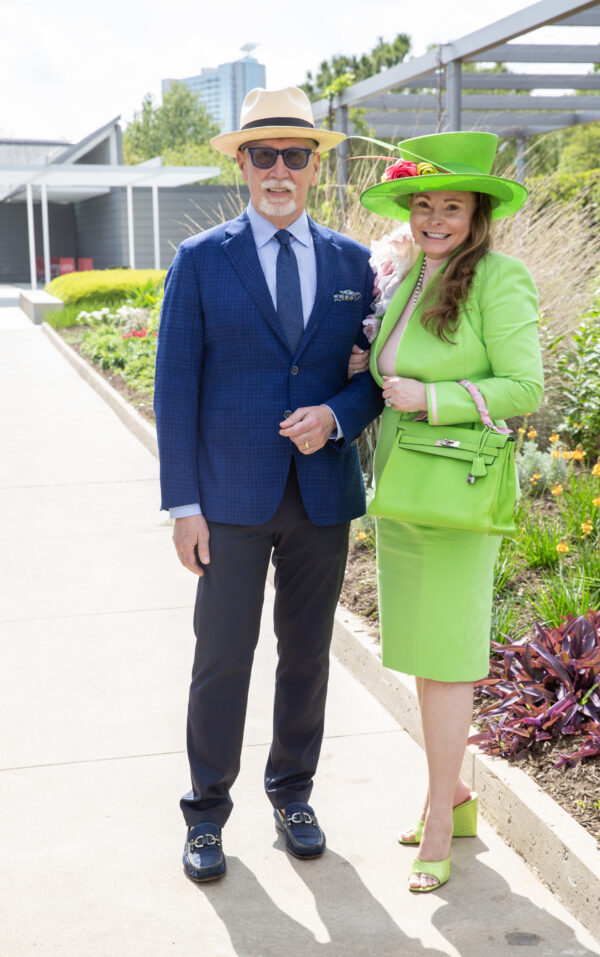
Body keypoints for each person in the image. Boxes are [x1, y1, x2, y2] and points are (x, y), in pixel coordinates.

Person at [154, 86, 383, 882]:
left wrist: (336, 413)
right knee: (221, 657)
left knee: (307, 656)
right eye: (262, 155)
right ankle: (205, 813)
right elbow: (174, 387)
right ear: (243, 166)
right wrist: (184, 505)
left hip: (320, 495)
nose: (278, 170)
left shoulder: (356, 264)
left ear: (315, 166)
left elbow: (375, 382)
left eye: (294, 154)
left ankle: (292, 794)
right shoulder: (200, 260)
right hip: (228, 501)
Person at [360, 132, 543, 893]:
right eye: (424, 204)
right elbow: (387, 364)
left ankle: (440, 823)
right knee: (425, 660)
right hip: (403, 492)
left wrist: (432, 399)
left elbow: (523, 388)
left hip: (456, 496)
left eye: (452, 206)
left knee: (450, 659)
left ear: (477, 214)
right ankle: (455, 796)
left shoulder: (499, 278)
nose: (436, 217)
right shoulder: (407, 274)